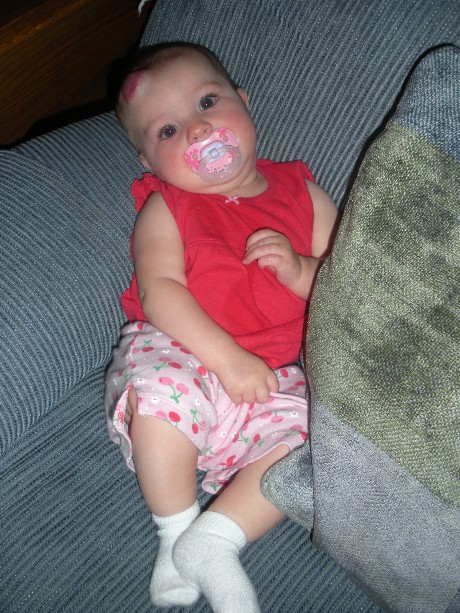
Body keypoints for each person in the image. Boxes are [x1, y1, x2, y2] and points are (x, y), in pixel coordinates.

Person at [105, 42, 338, 612]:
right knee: (160, 387)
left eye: (208, 101)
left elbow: (345, 284)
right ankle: (175, 530)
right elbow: (160, 290)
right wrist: (226, 359)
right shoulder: (167, 206)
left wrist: (301, 269)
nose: (197, 129)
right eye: (167, 131)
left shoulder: (302, 192)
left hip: (273, 378)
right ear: (149, 162)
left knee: (319, 441)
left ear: (244, 101)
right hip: (182, 348)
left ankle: (216, 538)